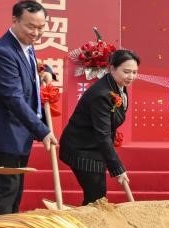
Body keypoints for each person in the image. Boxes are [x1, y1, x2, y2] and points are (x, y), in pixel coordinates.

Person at [0, 0, 57, 217]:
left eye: (41, 27)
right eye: (31, 26)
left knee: (15, 191)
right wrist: (42, 130)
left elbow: (28, 70)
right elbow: (14, 98)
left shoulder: (25, 46)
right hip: (3, 136)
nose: (36, 33)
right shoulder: (3, 52)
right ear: (15, 20)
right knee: (5, 192)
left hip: (19, 136)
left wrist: (47, 71)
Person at [59, 49, 138, 205]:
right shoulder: (102, 94)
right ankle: (86, 220)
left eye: (134, 72)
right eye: (126, 72)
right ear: (112, 69)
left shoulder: (118, 86)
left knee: (97, 197)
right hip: (82, 148)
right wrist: (118, 168)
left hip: (94, 147)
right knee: (96, 198)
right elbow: (102, 134)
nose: (131, 76)